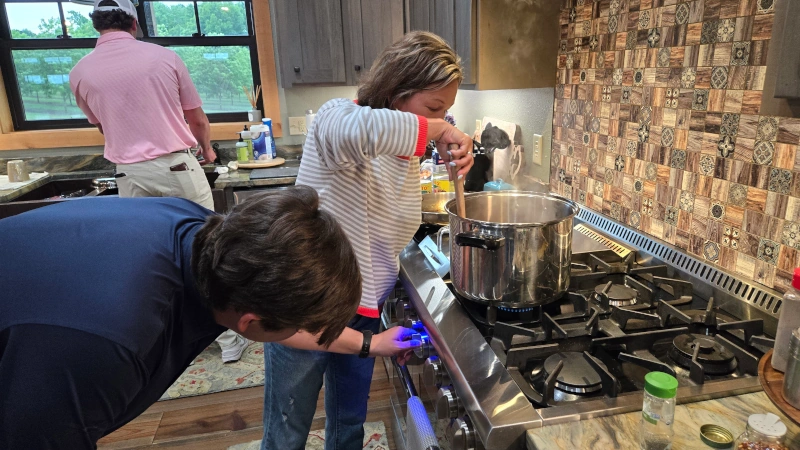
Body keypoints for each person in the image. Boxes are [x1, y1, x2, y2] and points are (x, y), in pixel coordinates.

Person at [0, 188, 418, 449]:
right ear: (250, 323)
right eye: (300, 324)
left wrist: (371, 344)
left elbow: (283, 330)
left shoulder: (207, 235)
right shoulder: (112, 345)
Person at [260, 31, 474, 450]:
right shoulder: (337, 118)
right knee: (287, 433)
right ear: (396, 92)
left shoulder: (406, 159)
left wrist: (449, 135)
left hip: (361, 312)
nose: (442, 119)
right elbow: (353, 132)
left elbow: (380, 245)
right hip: (302, 305)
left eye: (448, 110)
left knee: (348, 428)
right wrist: (434, 129)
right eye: (434, 107)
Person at [69, 0, 246, 361]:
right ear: (134, 23)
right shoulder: (163, 57)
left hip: (128, 174)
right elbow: (195, 119)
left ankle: (161, 342)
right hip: (175, 167)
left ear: (97, 26)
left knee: (148, 257)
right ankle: (227, 341)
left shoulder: (80, 71)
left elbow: (103, 124)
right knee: (205, 251)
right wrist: (207, 151)